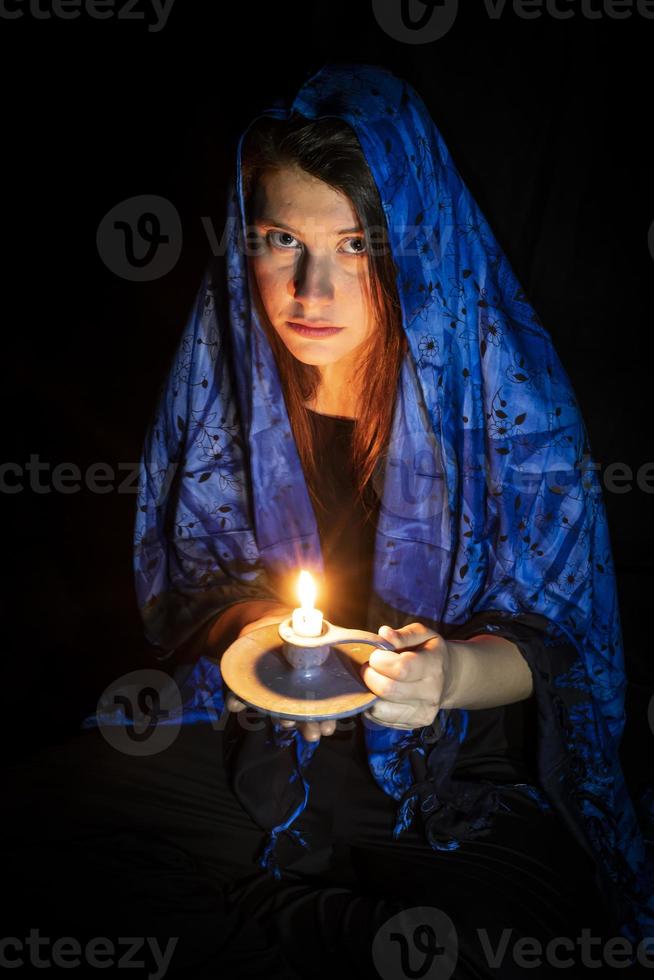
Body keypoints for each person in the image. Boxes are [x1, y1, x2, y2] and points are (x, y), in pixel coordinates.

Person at [3, 62, 652, 979]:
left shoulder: (508, 401)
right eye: (279, 238)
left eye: (356, 246)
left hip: (458, 776)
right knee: (32, 825)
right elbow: (204, 585)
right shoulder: (230, 379)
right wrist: (265, 645)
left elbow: (568, 645)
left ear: (415, 246)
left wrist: (447, 675)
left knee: (526, 952)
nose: (311, 288)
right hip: (259, 746)